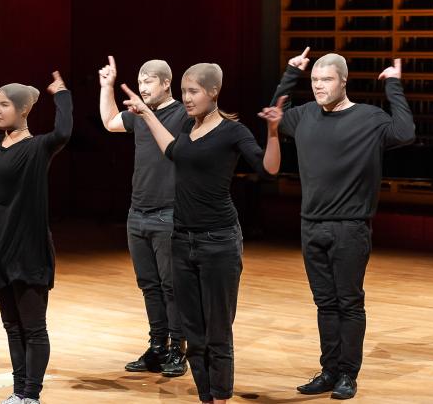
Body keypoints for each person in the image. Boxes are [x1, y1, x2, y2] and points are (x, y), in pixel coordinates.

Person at [124, 63, 282, 404]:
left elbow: (268, 168)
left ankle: (220, 398)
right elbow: (171, 150)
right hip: (182, 240)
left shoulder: (231, 131)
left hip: (219, 242)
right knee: (194, 335)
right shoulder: (185, 129)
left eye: (193, 91)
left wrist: (272, 132)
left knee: (217, 334)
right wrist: (145, 113)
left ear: (213, 91)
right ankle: (206, 398)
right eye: (184, 92)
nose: (187, 98)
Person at [271, 49, 415, 400]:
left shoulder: (369, 118)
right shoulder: (303, 116)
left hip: (350, 227)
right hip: (311, 225)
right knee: (325, 303)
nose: (319, 86)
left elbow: (406, 131)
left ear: (343, 81)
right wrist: (291, 74)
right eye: (315, 80)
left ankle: (348, 373)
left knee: (349, 302)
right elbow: (276, 114)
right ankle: (329, 369)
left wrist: (393, 85)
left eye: (326, 80)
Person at [0, 72, 72, 404]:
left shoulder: (38, 148)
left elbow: (63, 131)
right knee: (12, 326)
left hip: (28, 249)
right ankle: (19, 392)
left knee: (33, 327)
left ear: (22, 110)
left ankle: (31, 395)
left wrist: (61, 93)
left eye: (4, 105)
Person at [99, 56, 188, 377]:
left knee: (171, 286)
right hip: (138, 211)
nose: (143, 87)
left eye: (149, 80)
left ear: (167, 83)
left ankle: (178, 348)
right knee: (149, 285)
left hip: (170, 212)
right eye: (140, 81)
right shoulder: (137, 115)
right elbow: (110, 121)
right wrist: (106, 86)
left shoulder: (183, 114)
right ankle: (157, 346)